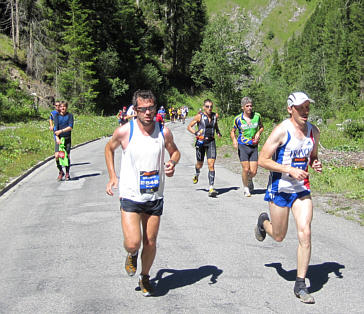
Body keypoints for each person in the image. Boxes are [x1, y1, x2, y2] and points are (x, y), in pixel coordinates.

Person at [105, 90, 180, 297]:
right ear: (135, 110)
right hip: (130, 194)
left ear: (156, 108)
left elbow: (175, 151)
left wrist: (172, 162)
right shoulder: (124, 131)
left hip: (154, 196)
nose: (148, 113)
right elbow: (108, 149)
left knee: (150, 241)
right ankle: (131, 253)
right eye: (143, 109)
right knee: (133, 242)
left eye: (151, 108)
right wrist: (112, 176)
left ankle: (145, 276)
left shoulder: (163, 132)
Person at [254, 92, 322, 304]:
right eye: (301, 107)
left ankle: (300, 284)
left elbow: (313, 156)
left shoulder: (314, 131)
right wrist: (288, 169)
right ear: (290, 109)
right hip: (280, 188)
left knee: (305, 232)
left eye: (307, 107)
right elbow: (263, 159)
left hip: (301, 189)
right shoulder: (281, 131)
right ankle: (264, 223)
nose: (305, 111)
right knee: (279, 236)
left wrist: (316, 163)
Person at [187, 99, 222, 197]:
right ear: (203, 107)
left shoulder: (215, 116)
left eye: (211, 106)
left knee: (211, 164)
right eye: (207, 106)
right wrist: (196, 133)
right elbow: (189, 127)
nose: (209, 108)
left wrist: (218, 132)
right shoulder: (199, 116)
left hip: (211, 141)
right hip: (201, 142)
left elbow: (215, 125)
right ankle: (197, 173)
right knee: (200, 164)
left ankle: (211, 188)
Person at [230, 97, 264, 197]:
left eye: (251, 106)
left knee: (253, 171)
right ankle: (246, 188)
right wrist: (234, 140)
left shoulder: (257, 116)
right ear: (243, 107)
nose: (249, 108)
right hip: (243, 145)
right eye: (247, 106)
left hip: (253, 146)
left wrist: (258, 132)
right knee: (245, 169)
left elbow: (261, 127)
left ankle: (249, 179)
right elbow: (232, 131)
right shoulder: (237, 119)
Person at [54, 101, 74, 181]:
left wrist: (61, 131)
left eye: (64, 106)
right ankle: (60, 171)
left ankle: (67, 173)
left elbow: (70, 127)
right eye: (61, 106)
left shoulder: (70, 116)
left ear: (66, 107)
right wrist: (57, 138)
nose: (62, 108)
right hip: (59, 139)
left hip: (67, 138)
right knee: (57, 156)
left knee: (66, 156)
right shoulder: (56, 116)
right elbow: (55, 129)